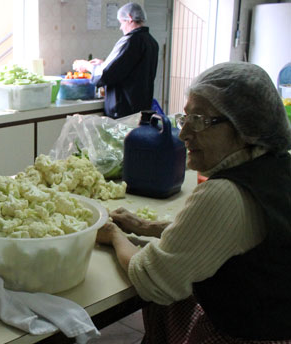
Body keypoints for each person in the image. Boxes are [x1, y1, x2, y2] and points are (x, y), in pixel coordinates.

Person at [95, 62, 291, 342]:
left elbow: (151, 279)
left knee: (165, 299)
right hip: (276, 322)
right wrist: (144, 226)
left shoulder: (225, 194)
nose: (184, 133)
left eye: (198, 121)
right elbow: (219, 235)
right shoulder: (277, 168)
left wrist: (113, 235)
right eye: (184, 118)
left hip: (246, 335)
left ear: (243, 127)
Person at [74, 2, 158, 119]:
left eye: (121, 22)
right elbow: (129, 69)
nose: (120, 27)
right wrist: (104, 64)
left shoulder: (130, 41)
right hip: (140, 107)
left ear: (129, 18)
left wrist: (86, 65)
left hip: (124, 110)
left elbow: (106, 75)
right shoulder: (151, 42)